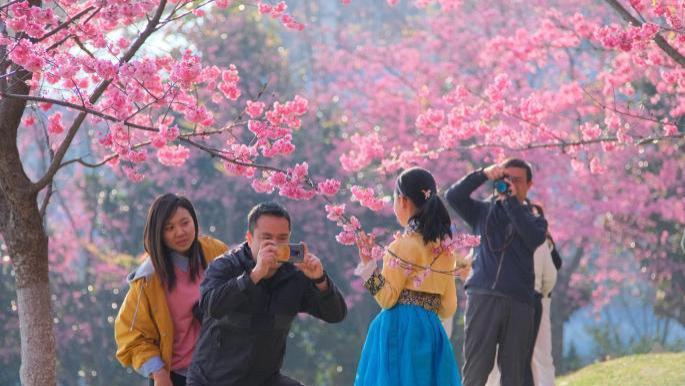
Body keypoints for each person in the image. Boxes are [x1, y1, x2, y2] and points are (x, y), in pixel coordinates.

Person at [185, 202, 347, 386]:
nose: (275, 245)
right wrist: (254, 275)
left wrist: (320, 280)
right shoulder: (225, 266)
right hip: (211, 380)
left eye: (282, 238)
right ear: (249, 238)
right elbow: (210, 306)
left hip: (264, 380)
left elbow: (336, 315)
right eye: (267, 238)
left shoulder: (295, 275)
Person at [354, 167, 462, 386]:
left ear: (402, 200)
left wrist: (368, 265)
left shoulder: (401, 246)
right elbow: (448, 307)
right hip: (431, 330)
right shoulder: (445, 251)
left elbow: (387, 299)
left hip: (398, 330)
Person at [445, 158, 548, 386]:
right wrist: (483, 174)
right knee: (475, 372)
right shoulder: (482, 211)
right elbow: (453, 196)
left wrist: (511, 203)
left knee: (514, 376)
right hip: (483, 297)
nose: (511, 184)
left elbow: (532, 237)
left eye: (517, 181)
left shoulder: (535, 219)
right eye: (506, 179)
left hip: (519, 303)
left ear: (529, 185)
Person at [115, 193, 229, 386]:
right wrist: (159, 373)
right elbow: (131, 335)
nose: (180, 232)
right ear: (158, 232)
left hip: (222, 371)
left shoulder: (216, 252)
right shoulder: (148, 279)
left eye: (185, 223)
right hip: (176, 377)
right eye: (169, 228)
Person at [484, 205, 559, 385]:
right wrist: (544, 294)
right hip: (534, 298)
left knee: (498, 359)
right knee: (537, 359)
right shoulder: (539, 238)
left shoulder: (495, 234)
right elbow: (550, 276)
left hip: (496, 299)